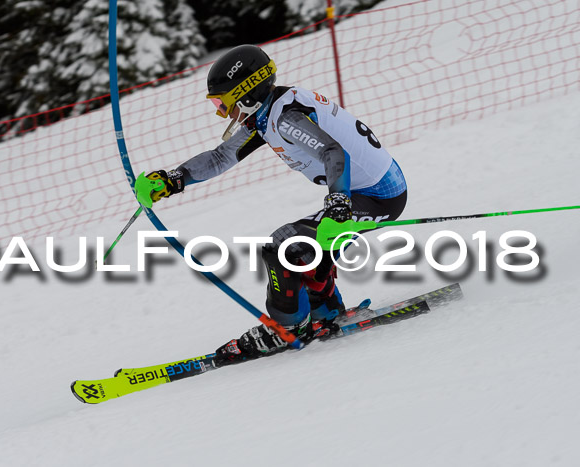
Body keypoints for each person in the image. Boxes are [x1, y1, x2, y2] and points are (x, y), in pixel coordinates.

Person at [135, 44, 407, 365]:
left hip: (376, 196)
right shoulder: (266, 116)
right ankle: (324, 311)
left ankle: (289, 327)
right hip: (358, 194)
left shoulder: (287, 116)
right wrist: (173, 179)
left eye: (223, 103)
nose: (222, 112)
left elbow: (333, 153)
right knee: (306, 246)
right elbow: (221, 156)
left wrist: (338, 205)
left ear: (247, 94)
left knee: (285, 246)